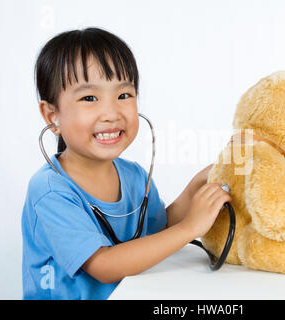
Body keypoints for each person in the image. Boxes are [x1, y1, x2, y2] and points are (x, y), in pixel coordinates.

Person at [21, 27, 231, 300]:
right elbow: (104, 266)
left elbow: (159, 231)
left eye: (123, 95)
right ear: (52, 116)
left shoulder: (134, 176)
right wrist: (191, 228)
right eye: (89, 98)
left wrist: (200, 184)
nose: (111, 113)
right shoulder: (49, 191)